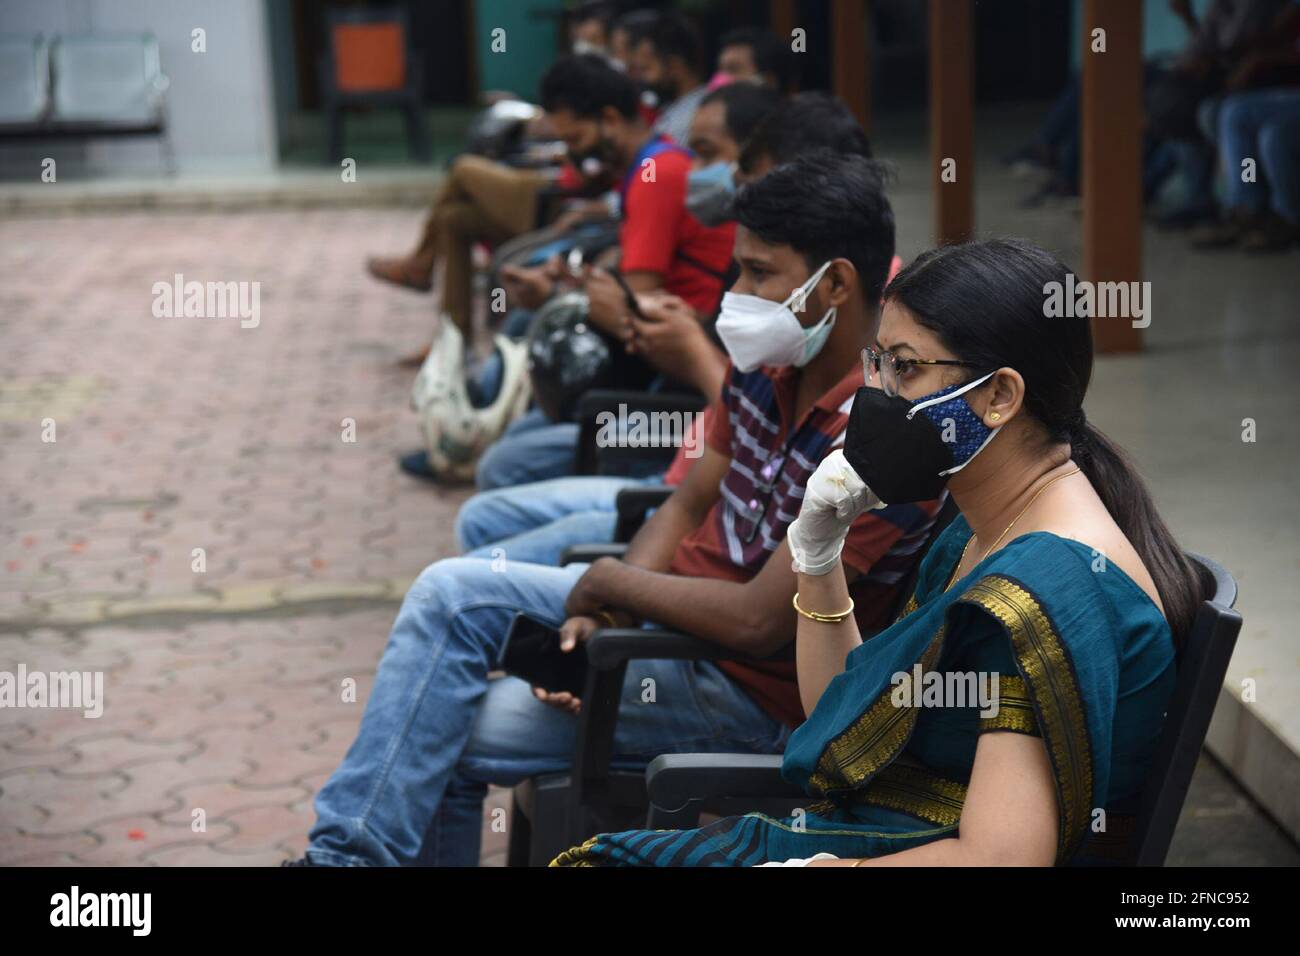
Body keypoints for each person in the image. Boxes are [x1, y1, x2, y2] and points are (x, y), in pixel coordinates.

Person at [290, 152, 941, 867]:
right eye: (738, 270)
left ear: (836, 284)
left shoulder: (878, 440)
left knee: (444, 637)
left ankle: (340, 861)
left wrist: (611, 587)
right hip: (667, 637)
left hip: (751, 700)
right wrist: (612, 615)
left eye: (759, 273)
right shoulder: (766, 370)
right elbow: (689, 499)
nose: (737, 292)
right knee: (427, 716)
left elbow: (759, 624)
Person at [552, 238, 1204, 867]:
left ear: (1001, 396)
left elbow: (1002, 857)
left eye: (907, 367)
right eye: (880, 362)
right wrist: (817, 554)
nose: (880, 394)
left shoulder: (1046, 585)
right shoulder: (983, 527)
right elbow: (842, 710)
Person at [460, 92, 881, 563]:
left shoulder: (848, 343)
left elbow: (759, 601)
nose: (727, 179)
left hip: (682, 453)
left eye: (713, 155)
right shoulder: (771, 277)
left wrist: (676, 345)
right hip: (689, 472)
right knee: (489, 507)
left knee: (484, 522)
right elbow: (695, 495)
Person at [472, 55, 736, 491]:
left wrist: (560, 296)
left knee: (504, 462)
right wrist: (562, 284)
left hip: (679, 383)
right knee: (521, 426)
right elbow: (624, 283)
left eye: (575, 137)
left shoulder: (657, 174)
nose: (572, 152)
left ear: (610, 120)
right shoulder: (646, 168)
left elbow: (633, 302)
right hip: (663, 364)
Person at [632, 11, 710, 145]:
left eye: (647, 69)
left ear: (675, 66)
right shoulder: (674, 110)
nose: (642, 78)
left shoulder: (694, 118)